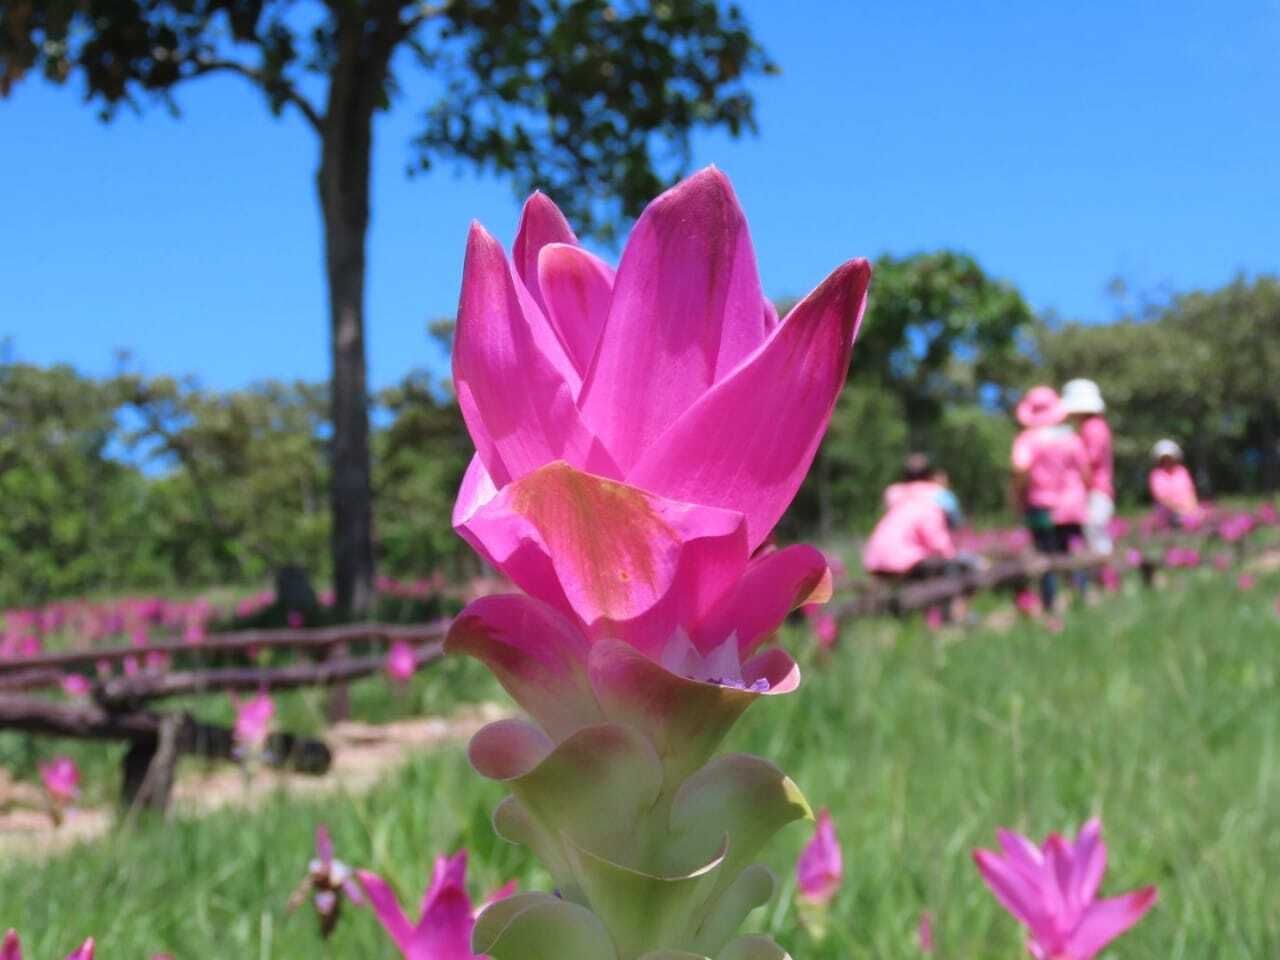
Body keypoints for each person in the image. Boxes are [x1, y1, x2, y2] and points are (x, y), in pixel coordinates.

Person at [1011, 386, 1091, 613]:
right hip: (1073, 505)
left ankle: (1050, 603)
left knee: (1046, 556)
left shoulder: (1028, 439)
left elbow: (1020, 468)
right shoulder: (1071, 437)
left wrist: (1018, 495)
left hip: (1042, 506)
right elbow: (1085, 472)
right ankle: (1081, 596)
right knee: (1074, 552)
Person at [863, 454, 961, 581]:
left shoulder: (897, 495)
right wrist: (951, 555)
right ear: (929, 475)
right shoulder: (932, 499)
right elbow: (936, 538)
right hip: (904, 561)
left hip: (875, 558)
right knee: (947, 569)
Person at [1061, 378, 1114, 554]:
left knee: (1095, 532)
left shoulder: (1093, 427)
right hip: (1094, 490)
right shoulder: (1089, 427)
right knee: (1092, 534)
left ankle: (1105, 575)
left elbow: (1088, 461)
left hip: (1096, 490)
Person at [1148, 439, 1199, 525]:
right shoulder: (1156, 475)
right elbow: (1161, 498)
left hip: (1187, 509)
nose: (1168, 461)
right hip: (1168, 511)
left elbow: (1190, 491)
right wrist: (1180, 509)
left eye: (1169, 458)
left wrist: (1193, 508)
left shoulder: (1182, 471)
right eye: (1165, 458)